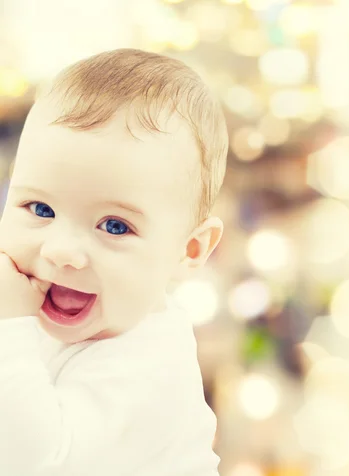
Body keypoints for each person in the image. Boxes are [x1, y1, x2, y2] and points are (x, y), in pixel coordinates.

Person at [0, 48, 228, 475]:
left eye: (115, 226)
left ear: (190, 249)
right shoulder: (36, 309)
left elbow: (32, 462)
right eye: (40, 209)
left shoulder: (150, 367)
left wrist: (7, 329)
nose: (61, 250)